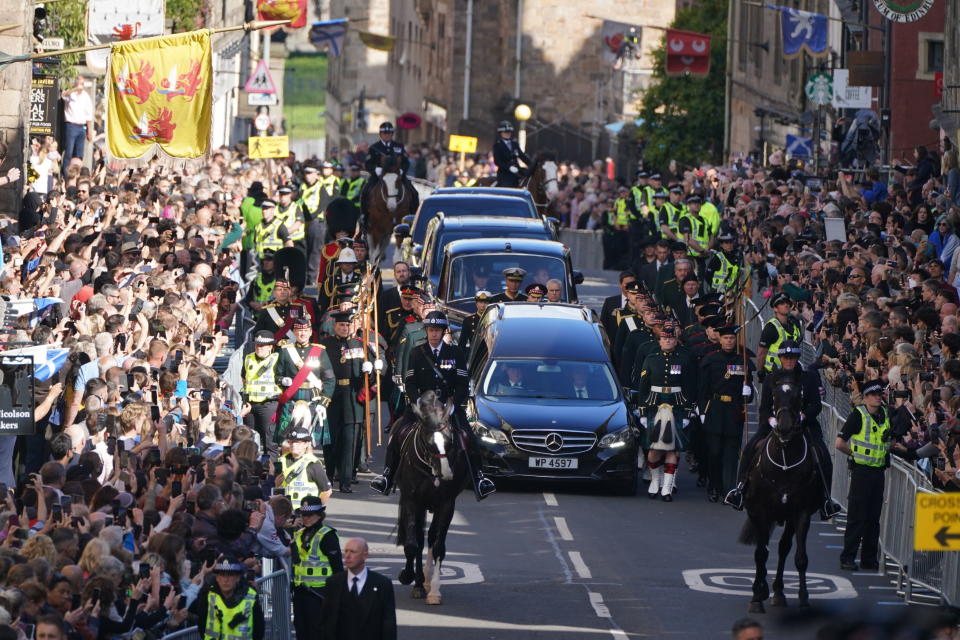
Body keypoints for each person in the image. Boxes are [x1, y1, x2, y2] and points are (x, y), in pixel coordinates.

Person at [372, 311, 495, 500]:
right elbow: (410, 383)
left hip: (448, 406)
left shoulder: (455, 353)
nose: (434, 334)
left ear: (444, 332)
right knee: (398, 432)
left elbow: (463, 384)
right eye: (431, 330)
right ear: (426, 331)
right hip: (423, 406)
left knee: (468, 436)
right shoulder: (417, 352)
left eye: (437, 330)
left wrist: (453, 405)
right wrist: (419, 402)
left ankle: (479, 478)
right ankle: (387, 476)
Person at [725, 341, 842, 520]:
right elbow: (764, 407)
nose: (789, 361)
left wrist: (803, 416)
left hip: (804, 424)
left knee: (822, 455)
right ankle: (739, 490)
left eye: (793, 357)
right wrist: (771, 420)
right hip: (775, 423)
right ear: (780, 358)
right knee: (750, 448)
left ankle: (826, 500)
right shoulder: (772, 378)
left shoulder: (808, 377)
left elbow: (816, 405)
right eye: (786, 357)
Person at [635, 320, 697, 501]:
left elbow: (690, 387)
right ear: (659, 340)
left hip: (677, 404)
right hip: (654, 405)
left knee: (673, 449)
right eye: (664, 338)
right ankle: (656, 480)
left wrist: (687, 412)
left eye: (671, 339)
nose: (668, 341)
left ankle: (668, 486)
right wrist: (643, 411)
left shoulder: (684, 359)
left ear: (676, 340)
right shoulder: (651, 359)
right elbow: (643, 387)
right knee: (653, 449)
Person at [836, 379, 892, 571]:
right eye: (873, 395)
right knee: (856, 517)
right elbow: (840, 443)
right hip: (862, 472)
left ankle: (869, 559)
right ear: (866, 397)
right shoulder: (858, 415)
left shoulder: (885, 414)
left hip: (878, 472)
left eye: (879, 394)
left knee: (873, 518)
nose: (878, 398)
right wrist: (855, 454)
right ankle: (848, 558)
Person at [697, 325, 754, 502]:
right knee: (714, 452)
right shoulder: (711, 360)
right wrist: (701, 410)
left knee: (731, 453)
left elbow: (749, 391)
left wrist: (748, 392)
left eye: (732, 338)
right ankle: (714, 486)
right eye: (726, 338)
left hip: (734, 411)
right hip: (715, 408)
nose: (729, 341)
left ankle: (728, 490)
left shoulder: (742, 361)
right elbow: (703, 388)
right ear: (720, 339)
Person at [320, 311, 368, 492]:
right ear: (335, 326)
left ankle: (346, 481)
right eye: (341, 325)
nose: (344, 328)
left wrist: (370, 371)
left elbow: (371, 377)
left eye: (347, 325)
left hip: (352, 396)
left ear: (352, 327)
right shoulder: (325, 345)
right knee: (330, 439)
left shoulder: (359, 345)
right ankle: (329, 476)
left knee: (350, 441)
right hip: (331, 396)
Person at [319, 537, 397, 640]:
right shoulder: (333, 583)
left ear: (365, 555)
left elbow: (388, 623)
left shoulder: (382, 584)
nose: (347, 556)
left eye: (353, 552)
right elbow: (326, 620)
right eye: (346, 551)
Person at [274, 317, 335, 444]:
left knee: (309, 442)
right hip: (291, 400)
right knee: (286, 441)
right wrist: (282, 380)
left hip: (312, 399)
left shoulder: (319, 351)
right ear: (294, 332)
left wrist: (323, 403)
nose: (302, 334)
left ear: (311, 332)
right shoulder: (285, 351)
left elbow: (329, 379)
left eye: (305, 331)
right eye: (299, 331)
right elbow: (276, 376)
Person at [291, 495, 342, 640]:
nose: (306, 518)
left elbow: (337, 568)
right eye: (303, 515)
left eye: (309, 515)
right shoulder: (299, 533)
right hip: (300, 593)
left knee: (317, 633)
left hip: (320, 594)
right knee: (301, 631)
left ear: (319, 514)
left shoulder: (327, 535)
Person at [197, 557, 265, 640]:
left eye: (230, 575)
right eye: (222, 575)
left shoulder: (250, 596)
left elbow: (259, 631)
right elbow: (202, 626)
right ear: (217, 578)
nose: (226, 580)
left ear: (238, 578)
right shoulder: (207, 595)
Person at [242, 330, 281, 459]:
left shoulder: (277, 360)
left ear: (271, 347)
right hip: (250, 405)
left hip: (268, 404)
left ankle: (271, 471)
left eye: (262, 346)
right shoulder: (248, 358)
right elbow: (244, 378)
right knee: (249, 440)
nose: (259, 348)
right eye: (257, 345)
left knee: (269, 440)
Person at [277, 423, 333, 508]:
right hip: (283, 513)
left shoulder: (313, 463)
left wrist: (313, 510)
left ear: (306, 444)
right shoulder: (281, 461)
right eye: (291, 442)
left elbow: (327, 491)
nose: (294, 445)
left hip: (305, 514)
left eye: (298, 442)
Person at [755, 292, 802, 379]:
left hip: (792, 371)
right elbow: (761, 353)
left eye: (787, 303)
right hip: (774, 373)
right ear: (775, 309)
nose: (786, 305)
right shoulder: (771, 327)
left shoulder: (794, 325)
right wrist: (760, 371)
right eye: (782, 303)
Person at [60, 77, 94, 170]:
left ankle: (77, 173)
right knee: (69, 152)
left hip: (81, 127)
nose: (80, 86)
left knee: (79, 153)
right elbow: (63, 95)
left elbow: (89, 116)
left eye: (82, 84)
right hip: (71, 126)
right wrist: (75, 89)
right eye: (79, 83)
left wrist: (89, 131)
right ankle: (66, 174)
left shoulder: (86, 97)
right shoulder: (71, 94)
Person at [492, 121, 531, 187]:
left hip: (517, 170)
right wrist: (509, 167)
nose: (507, 134)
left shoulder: (514, 144)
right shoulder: (497, 145)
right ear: (501, 133)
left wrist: (532, 164)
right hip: (505, 173)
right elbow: (497, 162)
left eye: (509, 132)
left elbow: (522, 156)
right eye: (505, 132)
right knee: (507, 185)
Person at [705, 229, 741, 294]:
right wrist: (715, 288)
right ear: (721, 244)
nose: (729, 245)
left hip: (732, 293)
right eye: (726, 243)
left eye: (731, 242)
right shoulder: (717, 258)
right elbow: (708, 276)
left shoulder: (736, 258)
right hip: (718, 293)